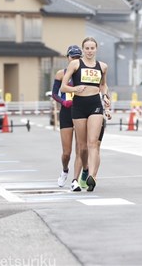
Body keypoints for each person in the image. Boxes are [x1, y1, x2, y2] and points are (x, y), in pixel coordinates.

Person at [60, 37, 110, 192]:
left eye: (92, 48)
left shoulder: (102, 66)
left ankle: (92, 177)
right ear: (83, 50)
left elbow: (103, 85)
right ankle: (80, 173)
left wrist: (105, 96)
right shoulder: (75, 64)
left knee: (93, 142)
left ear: (96, 49)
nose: (89, 51)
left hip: (95, 105)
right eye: (86, 48)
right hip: (79, 106)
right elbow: (63, 87)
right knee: (82, 147)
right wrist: (75, 89)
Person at [50, 45, 83, 188]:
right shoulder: (61, 74)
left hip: (81, 110)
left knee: (81, 149)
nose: (74, 59)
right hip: (66, 111)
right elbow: (54, 93)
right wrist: (63, 101)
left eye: (77, 57)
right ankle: (64, 171)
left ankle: (77, 178)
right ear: (67, 57)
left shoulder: (83, 73)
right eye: (72, 57)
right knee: (67, 152)